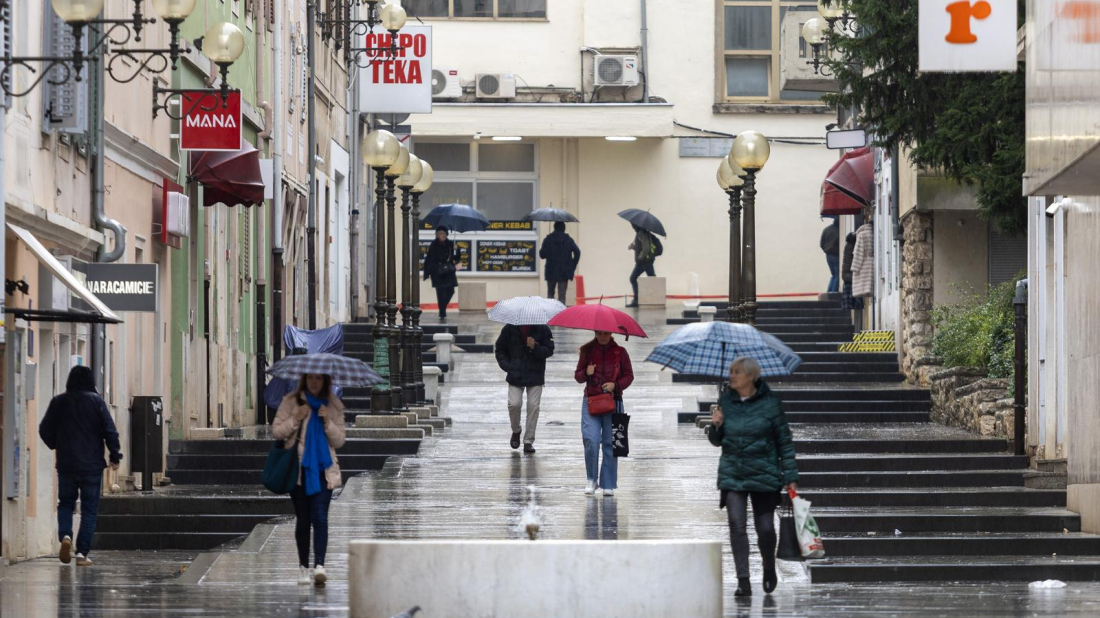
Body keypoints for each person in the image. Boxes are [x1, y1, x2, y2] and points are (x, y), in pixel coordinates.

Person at [706, 357, 799, 598]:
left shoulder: (770, 404)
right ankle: (743, 580)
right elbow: (717, 441)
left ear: (750, 376)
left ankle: (769, 566)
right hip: (733, 473)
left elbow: (784, 442)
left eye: (736, 372)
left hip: (764, 473)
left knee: (766, 529)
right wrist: (715, 426)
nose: (732, 376)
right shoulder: (726, 401)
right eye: (730, 372)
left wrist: (789, 474)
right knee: (737, 526)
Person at [38, 365, 122, 567]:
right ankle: (82, 554)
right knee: (89, 510)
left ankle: (65, 535)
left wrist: (55, 445)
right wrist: (114, 456)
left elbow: (44, 429)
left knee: (65, 503)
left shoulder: (59, 402)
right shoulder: (97, 403)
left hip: (67, 464)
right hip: (92, 466)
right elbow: (110, 430)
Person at [272, 373, 347, 587]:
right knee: (303, 521)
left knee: (320, 517)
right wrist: (296, 418)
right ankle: (303, 566)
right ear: (304, 379)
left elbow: (339, 440)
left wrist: (327, 421)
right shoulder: (291, 401)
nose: (314, 382)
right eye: (311, 378)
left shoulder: (333, 404)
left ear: (325, 381)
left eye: (319, 378)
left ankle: (320, 566)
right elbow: (277, 432)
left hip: (324, 471)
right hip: (298, 472)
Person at [573, 331, 634, 496]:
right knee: (591, 439)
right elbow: (578, 376)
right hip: (591, 401)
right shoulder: (587, 351)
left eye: (606, 333)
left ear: (611, 333)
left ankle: (608, 483)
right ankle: (591, 479)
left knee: (610, 443)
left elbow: (629, 376)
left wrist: (616, 385)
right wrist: (586, 372)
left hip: (614, 402)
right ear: (595, 333)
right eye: (599, 333)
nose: (603, 336)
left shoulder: (620, 352)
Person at [495, 323, 555, 453]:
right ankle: (516, 430)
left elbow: (549, 350)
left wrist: (535, 347)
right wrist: (508, 366)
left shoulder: (542, 328)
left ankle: (528, 440)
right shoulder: (509, 328)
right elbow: (500, 349)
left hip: (535, 373)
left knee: (533, 407)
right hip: (515, 373)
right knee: (514, 404)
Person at [423, 226, 461, 321]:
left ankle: (442, 307)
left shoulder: (451, 244)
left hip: (449, 272)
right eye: (440, 233)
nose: (443, 235)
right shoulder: (434, 245)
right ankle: (442, 312)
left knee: (451, 291)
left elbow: (456, 258)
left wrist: (457, 249)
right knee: (441, 294)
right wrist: (428, 273)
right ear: (436, 234)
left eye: (444, 233)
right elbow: (429, 259)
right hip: (438, 273)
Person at [538, 221, 581, 304]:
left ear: (554, 228)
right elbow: (577, 252)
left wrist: (542, 249)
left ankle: (550, 314)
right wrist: (573, 265)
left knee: (550, 295)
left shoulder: (548, 239)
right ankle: (561, 313)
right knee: (562, 295)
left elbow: (542, 255)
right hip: (564, 271)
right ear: (564, 229)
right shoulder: (568, 240)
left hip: (551, 271)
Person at [626, 225, 661, 308]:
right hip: (646, 261)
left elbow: (646, 248)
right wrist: (634, 247)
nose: (632, 227)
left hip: (643, 262)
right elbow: (641, 247)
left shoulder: (641, 233)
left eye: (633, 225)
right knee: (651, 278)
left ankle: (637, 300)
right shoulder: (642, 233)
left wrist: (640, 257)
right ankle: (656, 299)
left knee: (633, 278)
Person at [820, 218, 840, 294]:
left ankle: (829, 291)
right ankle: (833, 292)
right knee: (837, 274)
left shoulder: (826, 229)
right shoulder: (839, 230)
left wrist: (826, 250)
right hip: (836, 254)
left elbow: (821, 243)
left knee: (834, 274)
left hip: (828, 255)